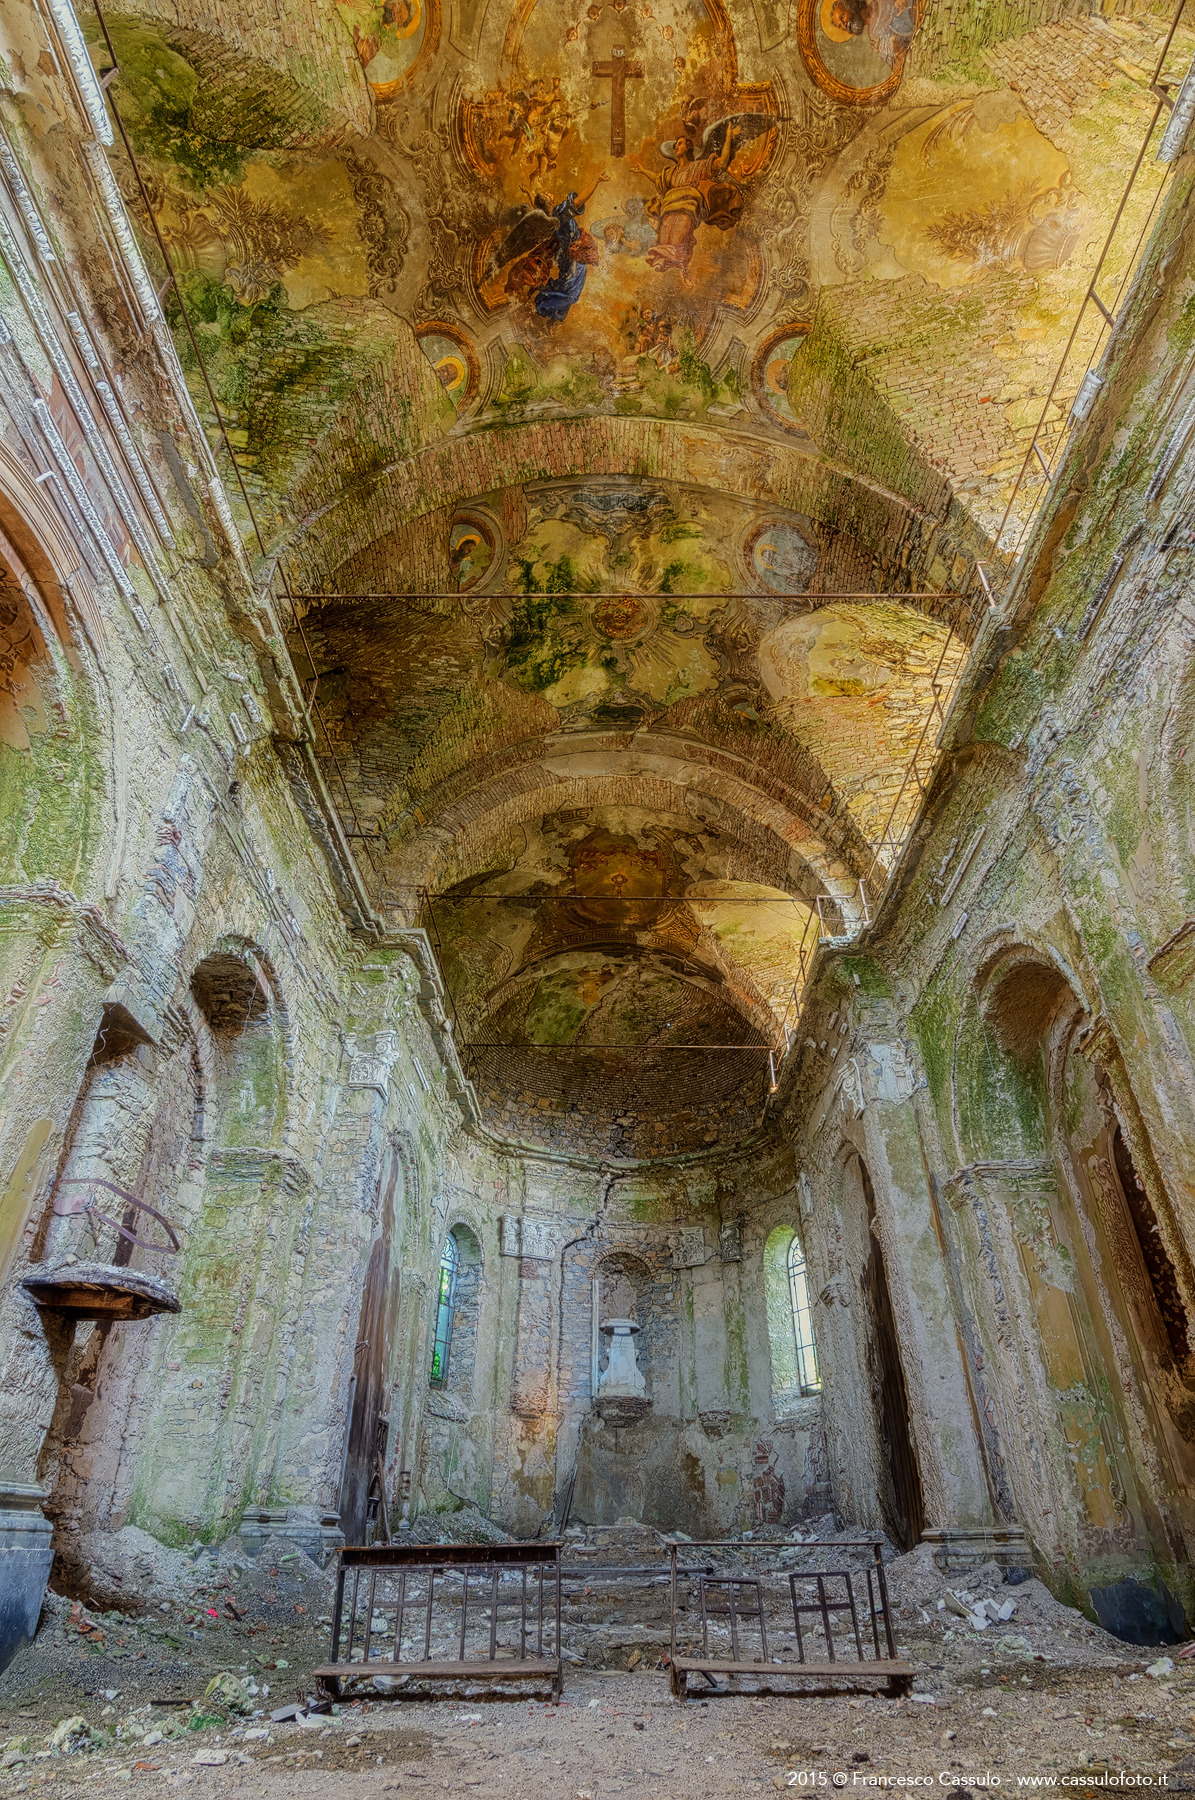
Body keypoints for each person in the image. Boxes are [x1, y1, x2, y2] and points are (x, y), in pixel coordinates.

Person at [629, 122, 742, 280]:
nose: (676, 146)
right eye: (675, 144)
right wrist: (643, 171)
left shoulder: (697, 167)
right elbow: (658, 178)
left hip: (686, 207)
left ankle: (678, 264)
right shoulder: (671, 172)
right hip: (669, 208)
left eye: (679, 143)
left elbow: (722, 162)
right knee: (664, 241)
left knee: (677, 241)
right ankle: (664, 263)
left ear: (688, 147)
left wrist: (728, 136)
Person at [533, 172, 608, 323]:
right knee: (572, 294)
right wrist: (597, 180)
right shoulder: (559, 213)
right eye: (546, 195)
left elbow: (537, 208)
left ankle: (553, 317)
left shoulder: (548, 218)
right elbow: (579, 201)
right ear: (549, 204)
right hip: (573, 255)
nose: (548, 192)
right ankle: (542, 306)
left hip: (567, 254)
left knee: (567, 287)